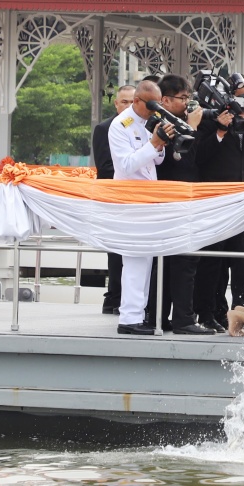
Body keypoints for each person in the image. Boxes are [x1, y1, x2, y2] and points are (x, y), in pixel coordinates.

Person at [193, 98, 244, 331]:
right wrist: (220, 130)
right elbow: (199, 156)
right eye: (238, 113)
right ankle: (209, 314)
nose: (242, 116)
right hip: (217, 203)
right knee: (212, 263)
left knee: (242, 263)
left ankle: (242, 313)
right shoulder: (212, 121)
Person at [145, 74, 216, 335]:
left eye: (188, 97)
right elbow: (182, 162)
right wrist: (193, 129)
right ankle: (180, 319)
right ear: (164, 100)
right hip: (171, 200)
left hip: (184, 200)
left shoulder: (178, 121)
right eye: (182, 98)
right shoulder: (163, 125)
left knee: (179, 262)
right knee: (180, 262)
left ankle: (162, 317)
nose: (187, 103)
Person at [108, 80, 174, 335]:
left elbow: (155, 160)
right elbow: (125, 165)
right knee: (135, 260)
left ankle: (138, 315)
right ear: (137, 101)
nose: (155, 109)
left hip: (148, 198)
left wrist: (159, 143)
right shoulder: (120, 125)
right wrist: (152, 143)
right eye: (151, 105)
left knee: (145, 260)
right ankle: (129, 318)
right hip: (130, 200)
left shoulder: (149, 121)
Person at [92, 84, 135, 316]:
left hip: (140, 200)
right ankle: (113, 299)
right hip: (116, 198)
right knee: (116, 252)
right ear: (116, 104)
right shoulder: (104, 128)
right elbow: (105, 167)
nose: (128, 106)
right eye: (124, 102)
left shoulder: (144, 126)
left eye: (132, 101)